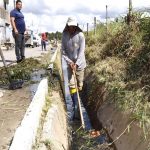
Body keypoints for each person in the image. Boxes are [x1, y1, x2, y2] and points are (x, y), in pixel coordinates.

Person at [61, 17, 86, 119]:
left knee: (79, 85)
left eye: (73, 26)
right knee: (72, 86)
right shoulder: (64, 35)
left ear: (76, 26)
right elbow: (63, 51)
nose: (71, 28)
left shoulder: (80, 36)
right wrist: (70, 62)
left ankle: (80, 103)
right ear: (67, 26)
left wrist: (76, 64)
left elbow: (81, 52)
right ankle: (76, 106)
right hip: (69, 64)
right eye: (70, 26)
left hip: (80, 64)